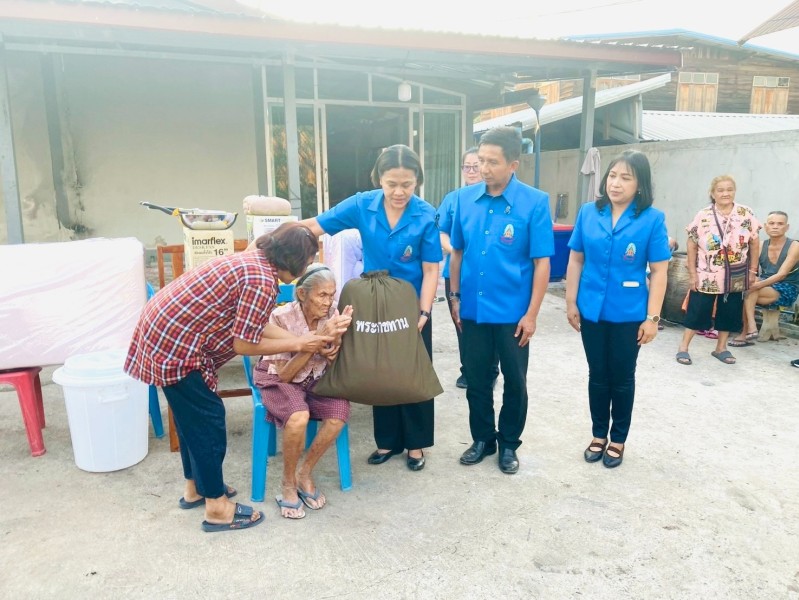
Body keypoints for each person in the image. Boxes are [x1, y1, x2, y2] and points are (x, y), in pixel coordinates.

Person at [124, 222, 351, 533]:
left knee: (192, 420)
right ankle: (217, 508)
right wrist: (300, 344)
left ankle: (196, 489)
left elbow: (255, 323)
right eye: (308, 260)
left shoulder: (256, 259)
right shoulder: (261, 280)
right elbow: (243, 344)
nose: (307, 267)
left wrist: (300, 340)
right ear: (294, 259)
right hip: (175, 342)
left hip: (166, 330)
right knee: (208, 421)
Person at [301, 144, 442, 472]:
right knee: (378, 368)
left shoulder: (425, 214)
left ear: (417, 181)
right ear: (379, 179)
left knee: (413, 371)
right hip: (374, 300)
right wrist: (273, 240)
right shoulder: (362, 205)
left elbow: (431, 269)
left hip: (411, 305)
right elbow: (316, 225)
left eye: (407, 184)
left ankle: (417, 443)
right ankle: (387, 441)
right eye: (392, 184)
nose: (399, 192)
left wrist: (424, 313)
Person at [449, 126, 554, 475]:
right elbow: (457, 252)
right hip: (473, 309)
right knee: (477, 378)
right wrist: (454, 297)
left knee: (515, 381)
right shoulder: (464, 199)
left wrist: (532, 314)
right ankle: (482, 439)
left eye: (492, 162)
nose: (484, 168)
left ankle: (509, 444)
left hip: (513, 312)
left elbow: (541, 263)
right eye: (480, 161)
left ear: (513, 164)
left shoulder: (534, 202)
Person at [565, 150, 671, 469]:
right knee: (597, 374)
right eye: (612, 175)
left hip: (629, 313)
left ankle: (618, 439)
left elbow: (660, 271)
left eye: (626, 178)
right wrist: (571, 301)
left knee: (622, 377)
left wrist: (652, 318)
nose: (616, 183)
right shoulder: (588, 212)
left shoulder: (652, 219)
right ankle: (599, 434)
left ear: (640, 185)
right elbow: (576, 259)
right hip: (591, 310)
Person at [253, 264, 353, 519]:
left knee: (339, 412)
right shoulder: (280, 317)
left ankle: (304, 473)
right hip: (278, 377)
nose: (328, 302)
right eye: (322, 295)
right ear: (302, 294)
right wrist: (317, 341)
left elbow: (332, 360)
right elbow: (285, 375)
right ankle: (287, 483)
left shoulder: (333, 313)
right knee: (299, 416)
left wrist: (334, 346)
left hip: (314, 378)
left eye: (332, 295)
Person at [676, 175, 761, 366]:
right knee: (698, 309)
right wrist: (692, 274)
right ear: (713, 193)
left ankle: (721, 348)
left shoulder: (746, 213)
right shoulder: (704, 215)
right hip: (707, 273)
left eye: (729, 189)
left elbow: (754, 243)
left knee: (730, 310)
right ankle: (683, 347)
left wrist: (753, 271)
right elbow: (691, 244)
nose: (725, 193)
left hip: (736, 273)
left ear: (734, 191)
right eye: (720, 190)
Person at [437, 147, 499, 389]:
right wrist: (456, 251)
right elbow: (441, 231)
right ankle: (468, 369)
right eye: (468, 167)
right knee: (462, 322)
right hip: (456, 274)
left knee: (489, 323)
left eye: (477, 165)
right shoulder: (454, 198)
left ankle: (491, 369)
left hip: (489, 275)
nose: (473, 171)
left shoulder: (496, 197)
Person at [730, 210, 799, 347]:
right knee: (750, 287)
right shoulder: (761, 245)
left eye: (780, 224)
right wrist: (754, 281)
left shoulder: (795, 246)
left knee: (750, 290)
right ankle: (750, 329)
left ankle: (747, 330)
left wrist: (757, 284)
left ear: (787, 227)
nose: (775, 227)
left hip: (787, 288)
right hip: (764, 286)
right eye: (771, 223)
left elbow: (781, 274)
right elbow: (751, 270)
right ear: (766, 226)